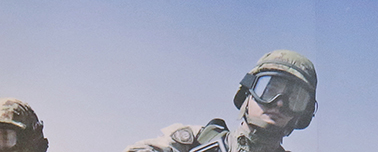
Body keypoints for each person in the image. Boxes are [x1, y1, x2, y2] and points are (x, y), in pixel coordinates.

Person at [125, 50, 318, 152]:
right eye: (269, 90)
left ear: (303, 113)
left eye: (295, 99)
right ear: (248, 93)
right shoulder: (195, 141)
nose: (279, 103)